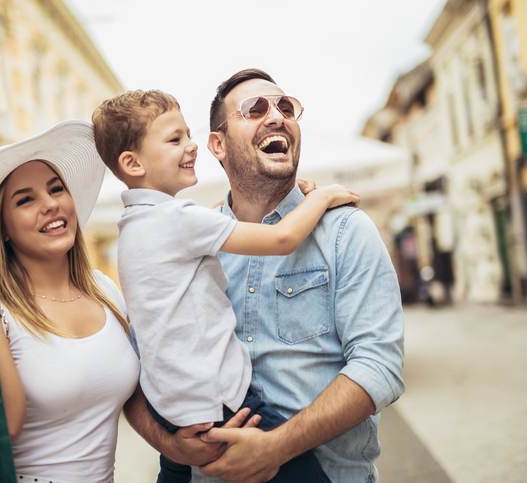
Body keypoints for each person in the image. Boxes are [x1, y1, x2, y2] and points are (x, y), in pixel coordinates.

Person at [124, 69, 405, 483]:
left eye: (286, 107)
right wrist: (168, 445)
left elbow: (379, 366)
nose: (276, 116)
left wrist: (278, 446)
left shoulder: (346, 230)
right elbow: (132, 367)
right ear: (217, 144)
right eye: (255, 109)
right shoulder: (183, 240)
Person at [0, 120, 140, 483]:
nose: (50, 205)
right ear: (4, 228)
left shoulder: (105, 289)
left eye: (56, 190)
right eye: (25, 200)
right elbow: (5, 424)